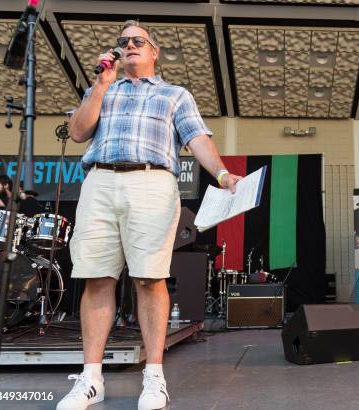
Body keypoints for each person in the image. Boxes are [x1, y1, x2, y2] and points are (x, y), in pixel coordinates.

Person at [56, 20, 242, 410]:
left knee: (149, 278)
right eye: (123, 41)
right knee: (96, 278)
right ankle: (91, 379)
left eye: (138, 40)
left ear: (155, 52)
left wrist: (223, 174)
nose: (129, 45)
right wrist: (101, 87)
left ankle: (154, 377)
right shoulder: (101, 89)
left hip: (152, 182)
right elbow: (76, 132)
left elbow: (196, 138)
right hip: (100, 181)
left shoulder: (174, 94)